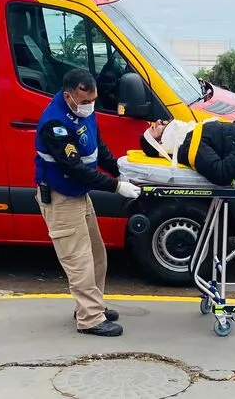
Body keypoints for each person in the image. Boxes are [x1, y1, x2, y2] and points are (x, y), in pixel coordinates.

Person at [34, 68, 141, 338]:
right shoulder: (54, 124)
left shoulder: (84, 112)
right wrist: (117, 187)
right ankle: (90, 319)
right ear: (69, 96)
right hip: (62, 197)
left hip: (79, 194)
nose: (89, 106)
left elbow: (97, 147)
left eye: (93, 100)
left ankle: (92, 306)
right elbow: (75, 169)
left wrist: (118, 170)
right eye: (84, 102)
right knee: (78, 260)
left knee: (96, 255)